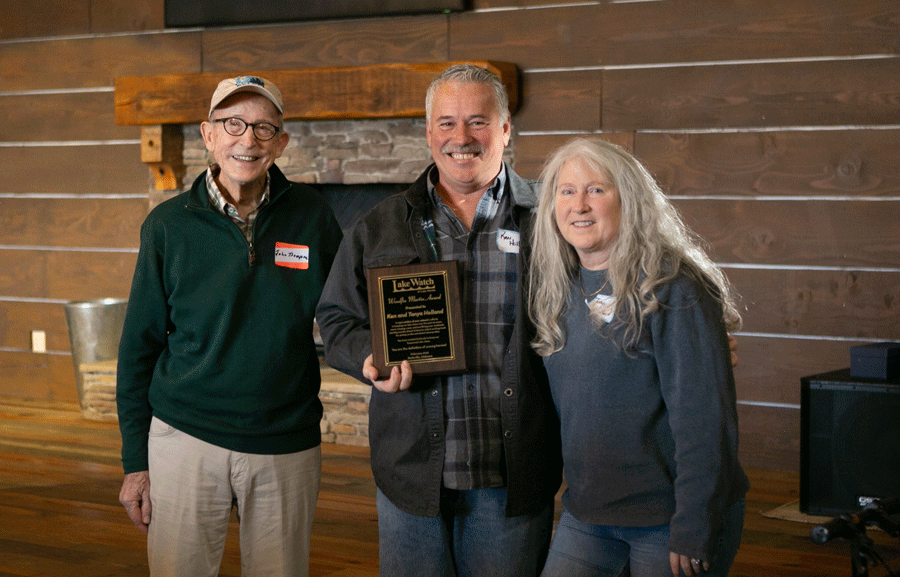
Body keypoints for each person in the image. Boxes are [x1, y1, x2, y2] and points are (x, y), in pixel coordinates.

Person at [315, 64, 561, 576]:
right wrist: (368, 356)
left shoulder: (552, 219)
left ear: (506, 128)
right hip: (412, 475)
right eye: (446, 123)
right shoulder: (378, 224)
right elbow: (336, 318)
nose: (461, 138)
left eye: (477, 121)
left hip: (511, 475)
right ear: (429, 132)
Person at [116, 75, 343, 577]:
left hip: (285, 442)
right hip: (185, 437)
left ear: (281, 143)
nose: (248, 139)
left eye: (264, 128)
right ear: (208, 134)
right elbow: (139, 348)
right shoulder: (168, 226)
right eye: (233, 123)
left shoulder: (313, 217)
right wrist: (136, 460)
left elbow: (344, 315)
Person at [528, 137, 749, 577]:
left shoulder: (675, 288)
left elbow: (706, 422)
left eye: (596, 189)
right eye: (566, 191)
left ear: (627, 198)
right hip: (588, 514)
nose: (580, 204)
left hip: (667, 520)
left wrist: (694, 526)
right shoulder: (556, 289)